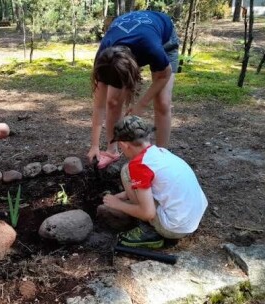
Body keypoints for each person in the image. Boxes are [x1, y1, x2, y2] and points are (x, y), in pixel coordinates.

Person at [88, 10, 180, 169]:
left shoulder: (151, 48)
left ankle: (161, 158)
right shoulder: (104, 59)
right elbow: (99, 105)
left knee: (162, 102)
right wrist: (94, 145)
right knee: (113, 101)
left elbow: (163, 75)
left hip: (164, 39)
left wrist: (140, 105)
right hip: (131, 40)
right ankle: (111, 151)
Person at [102, 116, 207, 249]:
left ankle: (147, 229)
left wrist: (117, 204)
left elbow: (148, 213)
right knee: (130, 173)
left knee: (126, 170)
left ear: (124, 144)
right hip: (192, 217)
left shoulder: (139, 165)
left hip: (174, 228)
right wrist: (125, 195)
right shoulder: (161, 153)